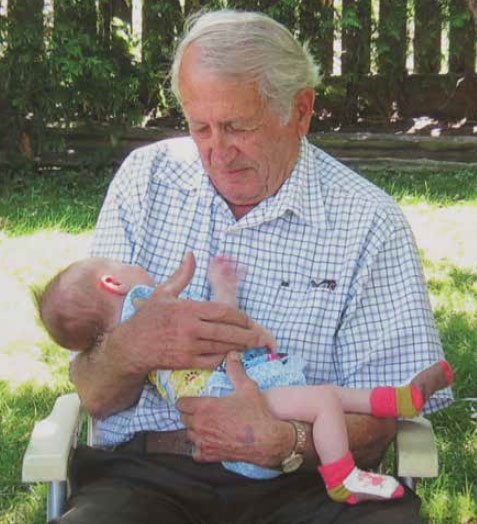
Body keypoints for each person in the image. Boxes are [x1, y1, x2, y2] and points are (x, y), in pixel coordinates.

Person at [57, 9, 453, 524]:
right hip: (151, 478)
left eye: (237, 126)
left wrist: (286, 441)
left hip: (309, 483)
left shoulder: (368, 221)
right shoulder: (145, 182)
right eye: (200, 127)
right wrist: (131, 346)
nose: (217, 151)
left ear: (302, 111)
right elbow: (94, 395)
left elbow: (382, 418)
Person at [36, 255, 452, 504]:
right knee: (325, 400)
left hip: (228, 422)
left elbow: (211, 335)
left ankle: (392, 402)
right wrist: (238, 311)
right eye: (124, 264)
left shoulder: (123, 334)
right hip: (236, 401)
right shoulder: (149, 306)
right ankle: (343, 476)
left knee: (323, 398)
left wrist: (224, 291)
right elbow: (222, 332)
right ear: (112, 282)